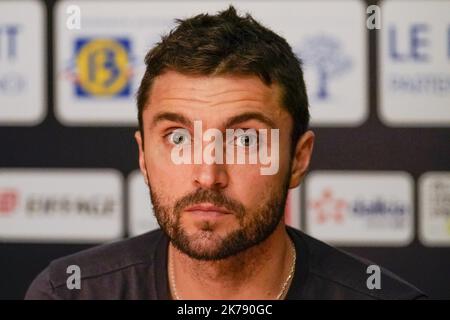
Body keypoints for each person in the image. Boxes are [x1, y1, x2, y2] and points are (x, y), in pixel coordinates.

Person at [26, 6, 425, 300]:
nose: (207, 173)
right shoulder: (68, 293)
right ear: (144, 157)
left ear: (298, 159)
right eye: (178, 138)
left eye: (246, 140)